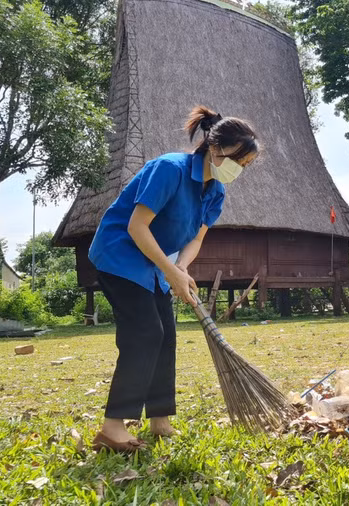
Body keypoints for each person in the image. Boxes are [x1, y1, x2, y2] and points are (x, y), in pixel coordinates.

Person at [87, 106, 259, 453]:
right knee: (146, 333)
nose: (238, 170)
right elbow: (136, 227)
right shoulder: (169, 170)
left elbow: (194, 239)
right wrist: (171, 272)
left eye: (245, 166)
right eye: (236, 161)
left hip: (156, 264)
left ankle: (160, 419)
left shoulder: (216, 192)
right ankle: (113, 427)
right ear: (214, 149)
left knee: (166, 337)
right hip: (119, 255)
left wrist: (179, 271)